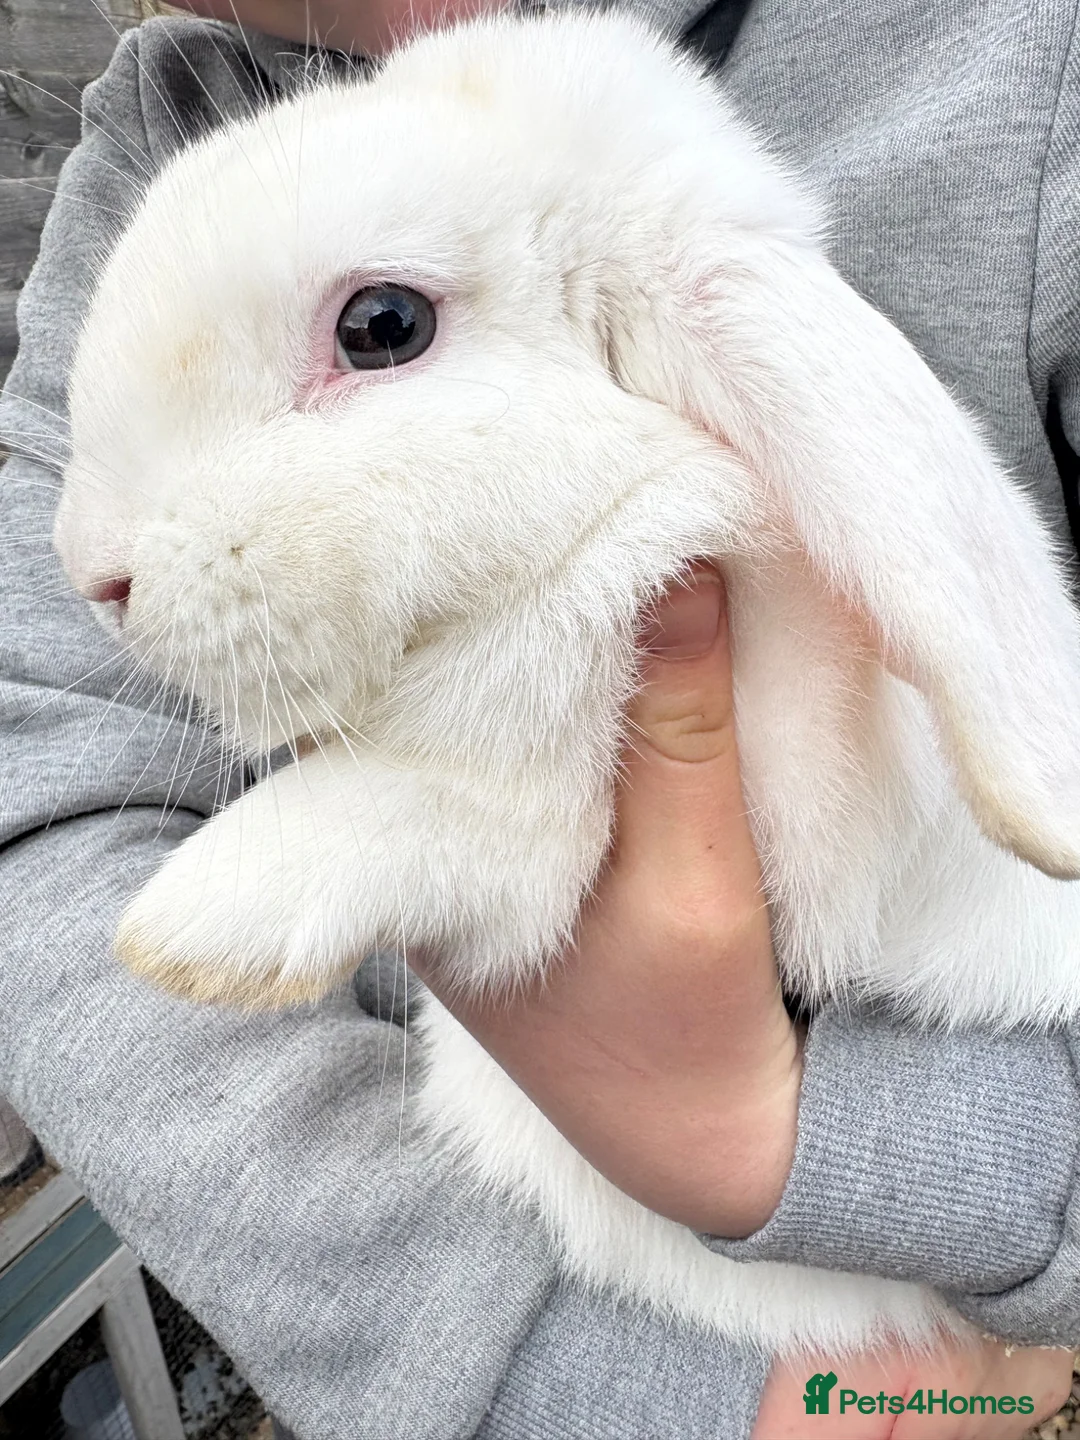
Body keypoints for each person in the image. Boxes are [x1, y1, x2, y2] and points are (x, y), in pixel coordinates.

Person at [0, 0, 1078, 1434]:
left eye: (380, 328)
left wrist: (791, 1136)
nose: (100, 569)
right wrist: (623, 1392)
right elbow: (43, 789)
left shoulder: (1009, 77)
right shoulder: (175, 113)